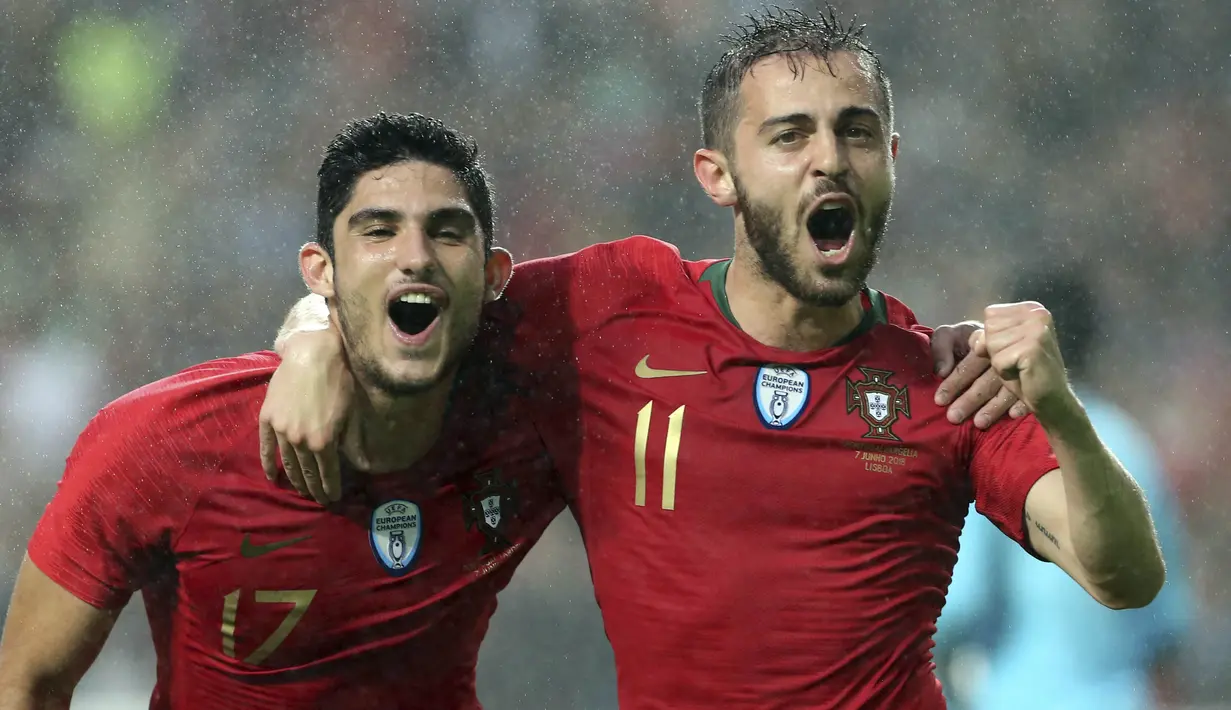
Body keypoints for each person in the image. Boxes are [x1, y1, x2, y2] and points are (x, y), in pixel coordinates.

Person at [265, 7, 1165, 709]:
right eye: (789, 136)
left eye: (855, 133)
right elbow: (417, 293)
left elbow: (1125, 577)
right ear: (716, 174)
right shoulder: (608, 310)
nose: (829, 161)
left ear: (890, 159)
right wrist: (310, 332)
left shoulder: (948, 380)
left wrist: (1062, 414)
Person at [0, 113, 567, 710]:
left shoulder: (537, 420)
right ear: (320, 270)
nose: (416, 256)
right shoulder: (166, 440)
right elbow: (26, 684)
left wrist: (314, 332)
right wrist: (310, 335)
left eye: (447, 232)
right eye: (378, 231)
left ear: (494, 274)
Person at [934, 265, 1194, 710]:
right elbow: (1164, 621)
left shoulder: (1004, 438)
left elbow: (962, 603)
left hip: (1014, 699)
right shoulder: (1130, 446)